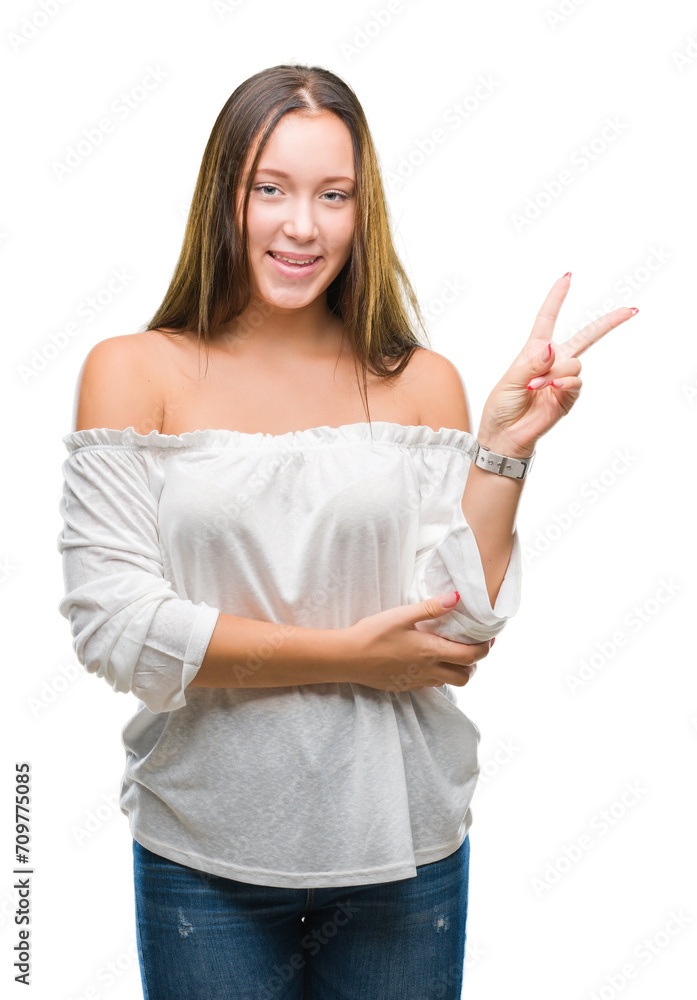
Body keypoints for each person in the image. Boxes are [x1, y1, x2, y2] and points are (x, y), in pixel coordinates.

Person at [56, 63, 638, 1000]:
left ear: (363, 213)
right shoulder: (135, 372)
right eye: (270, 190)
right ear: (223, 198)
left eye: (334, 196)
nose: (302, 226)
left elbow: (454, 634)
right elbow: (117, 630)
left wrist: (500, 450)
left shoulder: (422, 382)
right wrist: (351, 656)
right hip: (202, 852)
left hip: (400, 846)